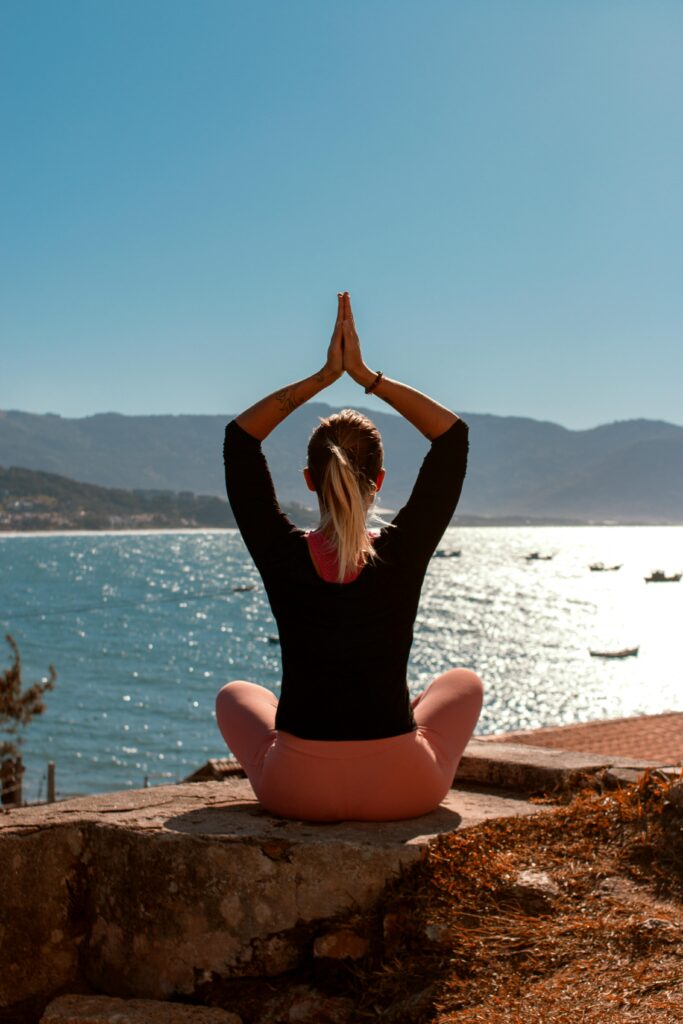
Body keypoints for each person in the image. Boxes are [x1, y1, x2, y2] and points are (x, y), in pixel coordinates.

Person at [216, 293, 483, 821]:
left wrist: (321, 378)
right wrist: (365, 376)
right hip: (404, 787)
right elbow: (453, 439)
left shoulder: (280, 552)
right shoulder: (402, 552)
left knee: (236, 695)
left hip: (296, 790)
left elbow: (239, 441)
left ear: (310, 480)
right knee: (463, 683)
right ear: (380, 482)